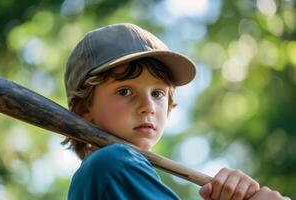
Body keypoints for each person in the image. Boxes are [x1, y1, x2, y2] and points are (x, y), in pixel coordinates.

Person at [62, 23, 289, 200]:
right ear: (84, 109)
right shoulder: (114, 164)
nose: (148, 107)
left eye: (158, 93)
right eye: (124, 91)